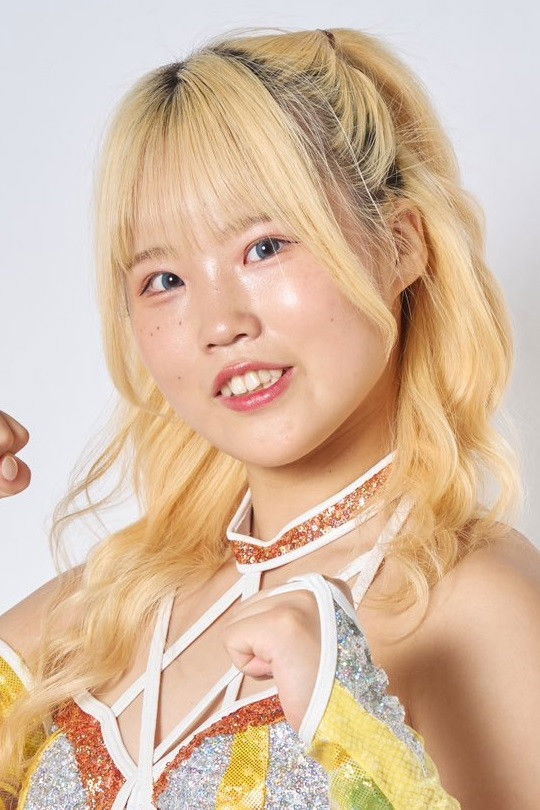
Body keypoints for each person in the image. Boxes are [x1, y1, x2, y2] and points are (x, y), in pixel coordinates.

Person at [0, 24, 538, 810]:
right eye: (164, 280)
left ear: (399, 246)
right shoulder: (102, 609)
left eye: (265, 247)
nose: (219, 323)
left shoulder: (482, 605)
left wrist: (359, 740)